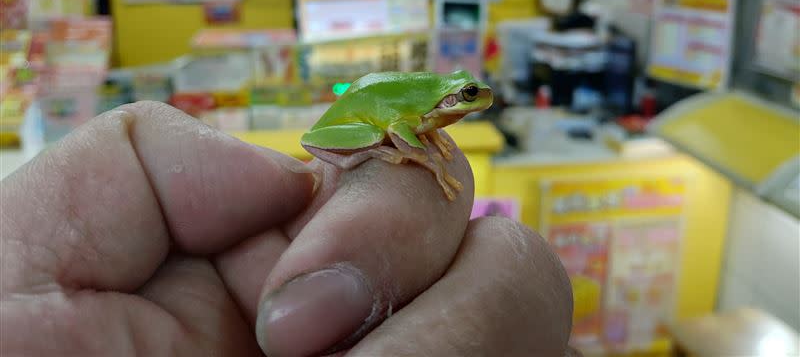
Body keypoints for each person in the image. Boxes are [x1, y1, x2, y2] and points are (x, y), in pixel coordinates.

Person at [0, 101, 576, 356]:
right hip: (360, 133)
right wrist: (421, 157)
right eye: (466, 98)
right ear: (449, 100)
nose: (474, 104)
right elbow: (399, 131)